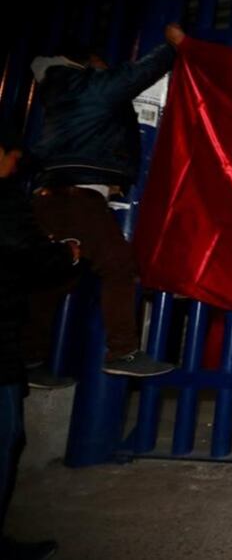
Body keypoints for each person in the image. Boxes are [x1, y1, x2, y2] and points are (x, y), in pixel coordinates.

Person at [25, 23, 186, 379]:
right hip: (77, 195)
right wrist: (173, 47)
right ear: (87, 60)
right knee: (118, 266)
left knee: (56, 276)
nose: (105, 68)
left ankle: (30, 357)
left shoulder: (56, 87)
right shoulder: (83, 85)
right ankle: (123, 352)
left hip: (53, 193)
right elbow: (134, 76)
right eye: (101, 62)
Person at [0, 132, 79, 559]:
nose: (17, 163)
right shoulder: (8, 202)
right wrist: (65, 254)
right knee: (6, 437)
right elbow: (27, 253)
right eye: (13, 154)